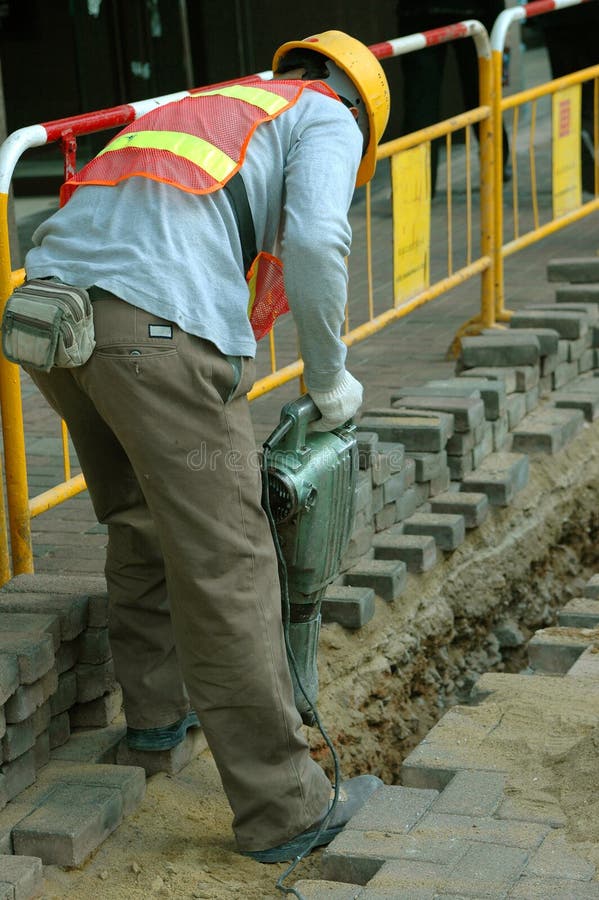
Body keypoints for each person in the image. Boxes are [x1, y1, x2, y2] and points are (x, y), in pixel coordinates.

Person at [13, 30, 388, 861]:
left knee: (143, 519)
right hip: (150, 330)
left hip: (50, 316)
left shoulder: (210, 104)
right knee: (229, 558)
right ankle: (286, 809)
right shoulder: (326, 116)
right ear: (362, 106)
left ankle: (155, 720)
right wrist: (328, 379)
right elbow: (319, 243)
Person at [397, 1, 511, 195]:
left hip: (418, 11)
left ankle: (417, 188)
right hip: (475, 10)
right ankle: (497, 165)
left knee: (420, 102)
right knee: (481, 93)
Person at [531, 3, 599, 193]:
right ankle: (580, 146)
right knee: (586, 88)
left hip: (556, 15)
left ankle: (570, 174)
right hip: (582, 14)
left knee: (565, 92)